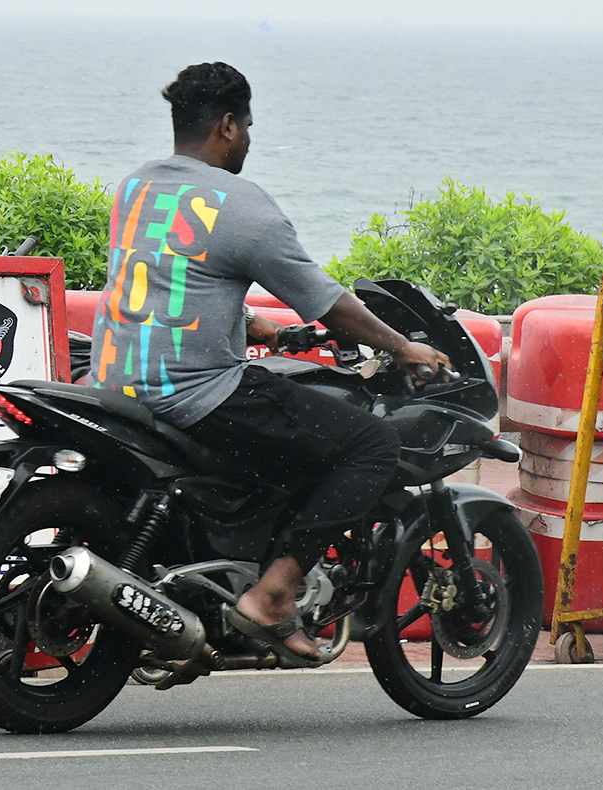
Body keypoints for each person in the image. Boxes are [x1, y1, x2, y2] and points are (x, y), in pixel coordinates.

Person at [90, 62, 449, 667]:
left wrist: (262, 331)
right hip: (192, 395)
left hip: (113, 382)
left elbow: (172, 283)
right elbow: (332, 306)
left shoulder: (136, 187)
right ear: (228, 126)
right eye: (248, 127)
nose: (250, 140)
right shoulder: (241, 204)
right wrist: (402, 347)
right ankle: (274, 596)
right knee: (368, 444)